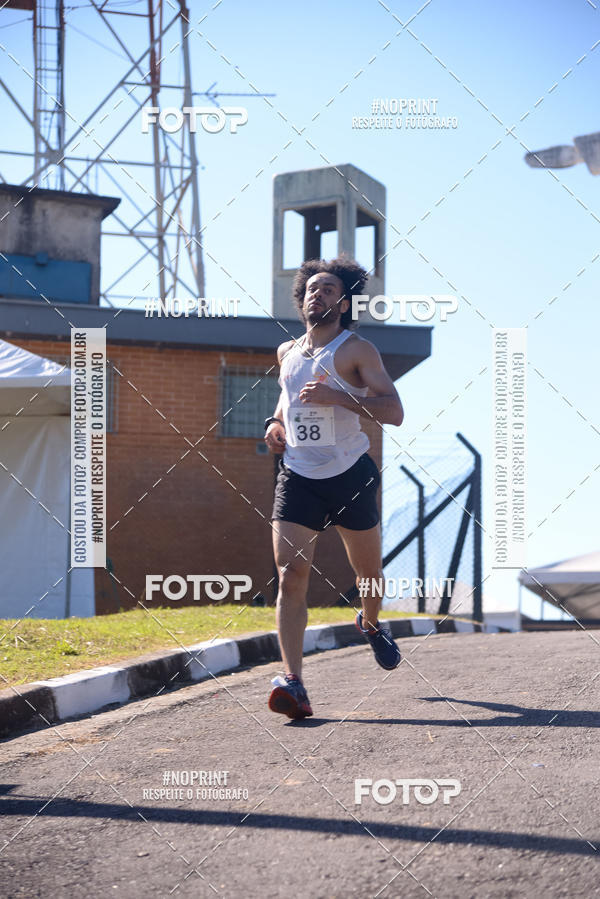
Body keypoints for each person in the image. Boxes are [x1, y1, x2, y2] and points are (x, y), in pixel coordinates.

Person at [264, 256, 404, 720]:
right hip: (298, 475)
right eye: (312, 288)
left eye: (328, 290)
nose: (317, 294)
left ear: (344, 304)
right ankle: (294, 683)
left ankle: (371, 623)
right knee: (291, 573)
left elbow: (394, 412)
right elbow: (287, 399)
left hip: (349, 475)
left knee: (368, 575)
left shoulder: (357, 350)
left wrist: (338, 397)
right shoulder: (287, 351)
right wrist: (274, 425)